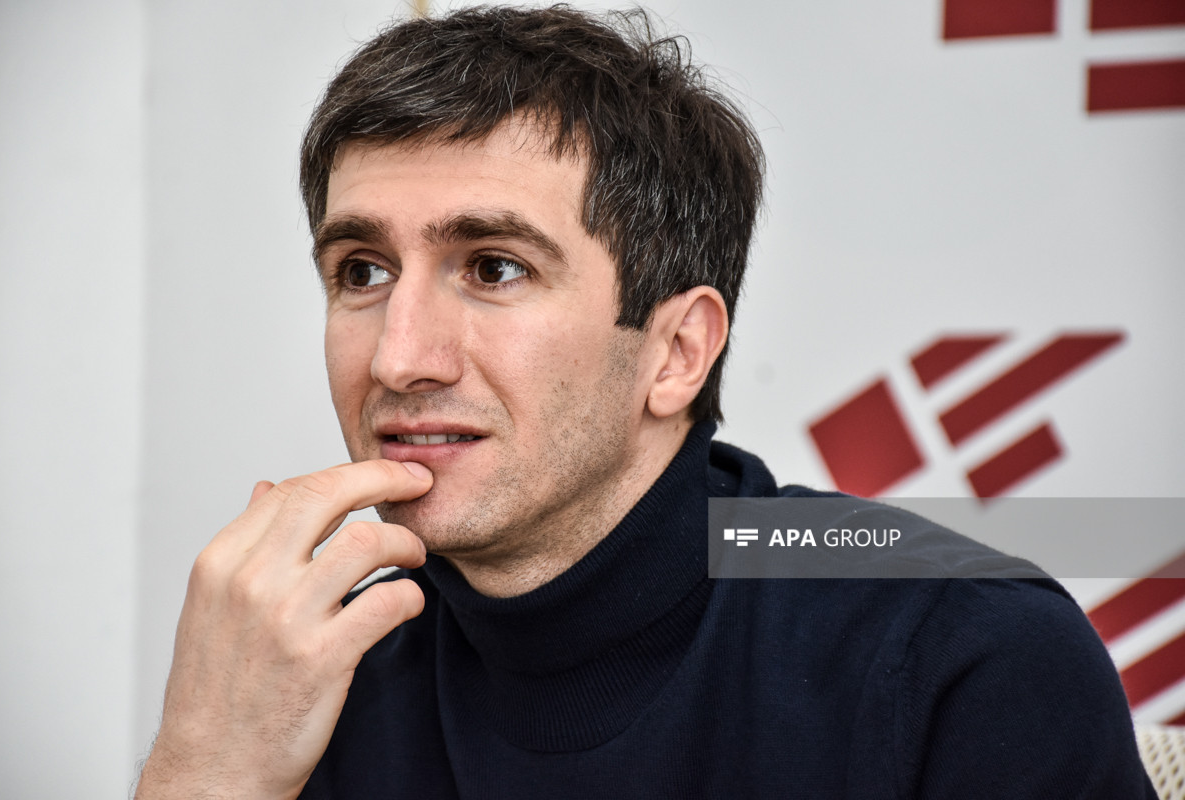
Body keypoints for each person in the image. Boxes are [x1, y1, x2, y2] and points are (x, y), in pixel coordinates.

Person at [135, 6, 1156, 798]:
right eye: (362, 271)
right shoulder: (305, 672)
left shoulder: (961, 653)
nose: (400, 357)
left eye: (492, 267)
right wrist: (204, 768)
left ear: (676, 352)